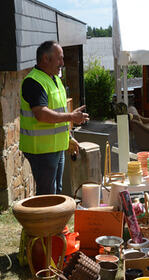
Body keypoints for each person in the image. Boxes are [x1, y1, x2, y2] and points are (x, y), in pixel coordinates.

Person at [20, 40, 89, 195]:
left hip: (55, 147)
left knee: (55, 190)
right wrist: (71, 116)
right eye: (59, 58)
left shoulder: (55, 79)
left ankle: (54, 219)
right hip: (41, 150)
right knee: (47, 193)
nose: (62, 63)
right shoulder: (33, 81)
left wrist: (69, 137)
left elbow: (59, 112)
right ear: (46, 58)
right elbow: (42, 114)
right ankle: (43, 219)